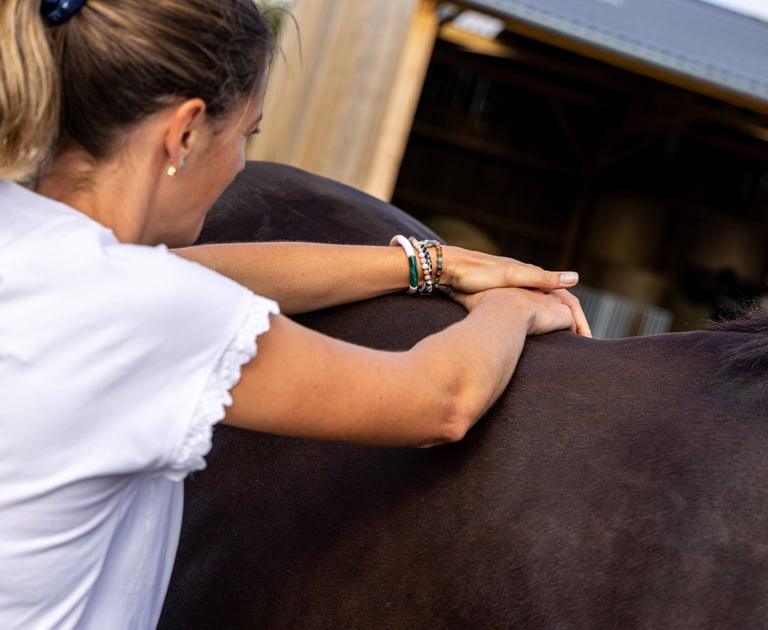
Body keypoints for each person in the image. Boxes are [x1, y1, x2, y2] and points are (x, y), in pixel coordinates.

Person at [0, 0, 591, 627]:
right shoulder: (149, 313)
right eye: (245, 135)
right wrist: (509, 309)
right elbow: (438, 402)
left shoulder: (34, 244)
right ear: (185, 133)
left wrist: (433, 264)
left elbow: (195, 272)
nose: (241, 164)